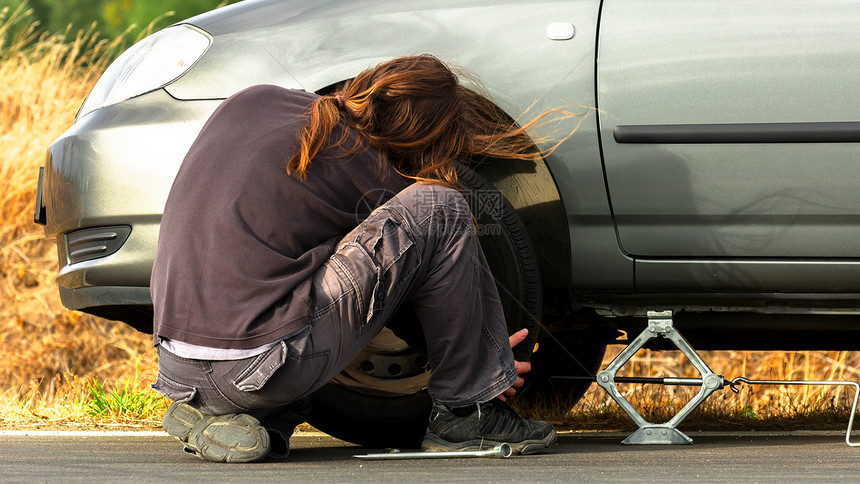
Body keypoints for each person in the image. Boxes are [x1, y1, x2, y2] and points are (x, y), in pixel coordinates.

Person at [150, 55, 560, 463]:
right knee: (441, 205)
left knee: (289, 280)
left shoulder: (255, 99)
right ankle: (467, 414)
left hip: (176, 367)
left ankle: (242, 418)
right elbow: (398, 289)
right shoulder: (372, 170)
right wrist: (482, 363)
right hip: (254, 370)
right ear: (423, 138)